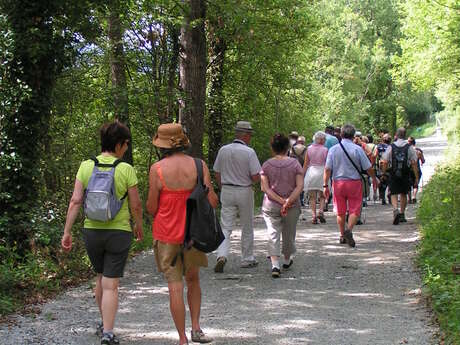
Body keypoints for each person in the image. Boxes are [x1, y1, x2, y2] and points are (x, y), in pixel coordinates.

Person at [61, 121, 143, 345]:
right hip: (119, 232)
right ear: (118, 144)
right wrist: (139, 225)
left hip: (92, 232)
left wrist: (67, 231)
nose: (126, 148)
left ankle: (103, 323)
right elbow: (135, 205)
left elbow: (76, 200)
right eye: (126, 144)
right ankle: (108, 332)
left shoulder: (86, 166)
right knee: (111, 283)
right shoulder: (125, 169)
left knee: (100, 277)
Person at [146, 123, 218, 345]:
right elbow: (213, 201)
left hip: (167, 234)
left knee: (174, 287)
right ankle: (196, 328)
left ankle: (182, 339)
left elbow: (151, 207)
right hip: (193, 235)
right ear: (183, 141)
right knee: (193, 279)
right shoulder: (199, 165)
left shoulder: (157, 169)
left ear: (162, 145)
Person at [213, 121, 262, 273]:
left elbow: (217, 172)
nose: (250, 138)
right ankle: (247, 258)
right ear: (246, 135)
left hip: (227, 189)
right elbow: (256, 175)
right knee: (247, 225)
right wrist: (252, 180)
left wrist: (222, 187)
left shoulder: (223, 150)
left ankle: (221, 255)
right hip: (244, 190)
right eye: (250, 135)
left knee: (226, 226)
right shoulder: (249, 152)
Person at [323, 124, 378, 247]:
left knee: (340, 211)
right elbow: (368, 167)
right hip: (354, 183)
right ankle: (349, 229)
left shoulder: (333, 150)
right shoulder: (357, 149)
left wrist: (325, 185)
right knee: (355, 209)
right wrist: (374, 178)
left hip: (338, 183)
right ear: (353, 136)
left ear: (341, 134)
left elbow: (327, 169)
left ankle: (342, 235)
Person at [260, 133, 303, 278]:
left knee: (273, 232)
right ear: (287, 147)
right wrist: (287, 201)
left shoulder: (266, 165)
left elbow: (265, 188)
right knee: (289, 233)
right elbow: (299, 186)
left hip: (271, 205)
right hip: (292, 205)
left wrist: (279, 200)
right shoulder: (295, 164)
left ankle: (275, 264)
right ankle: (286, 259)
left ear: (273, 148)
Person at [381, 128, 419, 225]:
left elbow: (384, 161)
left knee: (393, 192)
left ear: (396, 136)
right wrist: (416, 176)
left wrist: (384, 173)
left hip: (393, 173)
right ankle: (402, 214)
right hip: (405, 173)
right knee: (403, 193)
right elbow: (414, 162)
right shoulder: (409, 147)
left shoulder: (391, 147)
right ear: (405, 136)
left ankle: (395, 209)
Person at [303, 131, 328, 224]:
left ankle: (313, 216)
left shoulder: (309, 149)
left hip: (311, 172)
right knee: (322, 195)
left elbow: (306, 164)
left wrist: (302, 175)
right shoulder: (325, 150)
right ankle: (321, 211)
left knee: (312, 197)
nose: (325, 141)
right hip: (322, 172)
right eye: (324, 139)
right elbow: (327, 164)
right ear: (321, 140)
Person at [289, 135, 307, 206]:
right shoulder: (305, 149)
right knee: (301, 183)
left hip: (293, 167)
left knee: (294, 184)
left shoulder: (293, 148)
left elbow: (290, 157)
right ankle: (301, 200)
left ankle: (295, 199)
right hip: (302, 167)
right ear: (303, 142)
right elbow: (306, 159)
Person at [407, 136, 425, 203]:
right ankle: (414, 196)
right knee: (415, 183)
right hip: (417, 169)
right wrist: (421, 161)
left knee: (408, 184)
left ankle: (409, 198)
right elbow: (423, 160)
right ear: (414, 142)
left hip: (408, 169)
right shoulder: (419, 151)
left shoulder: (407, 151)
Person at [376, 133, 392, 204]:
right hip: (389, 166)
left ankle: (382, 197)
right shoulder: (391, 147)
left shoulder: (378, 147)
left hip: (381, 166)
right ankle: (389, 193)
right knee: (390, 181)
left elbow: (375, 155)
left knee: (382, 181)